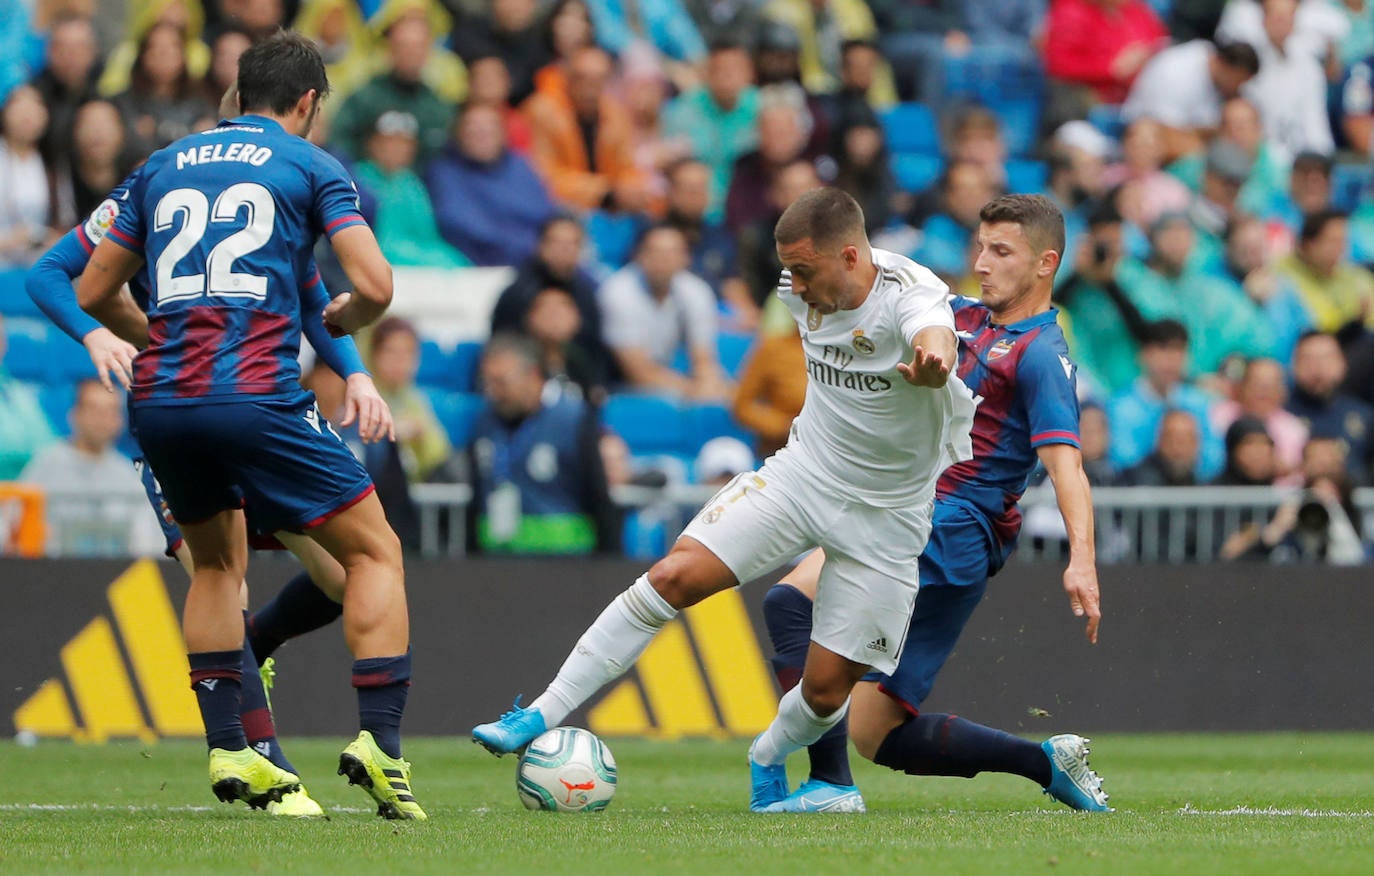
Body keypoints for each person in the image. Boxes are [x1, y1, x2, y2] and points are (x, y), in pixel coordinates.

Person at [472, 187, 978, 816]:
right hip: (803, 477)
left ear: (852, 256)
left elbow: (934, 333)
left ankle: (767, 753)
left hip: (887, 517)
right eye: (785, 268)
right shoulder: (798, 294)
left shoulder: (912, 293)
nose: (790, 283)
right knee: (673, 574)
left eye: (803, 268)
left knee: (824, 694)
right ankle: (538, 713)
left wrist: (934, 361)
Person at [74, 33, 425, 820]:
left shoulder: (160, 165)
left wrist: (158, 340)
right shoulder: (309, 165)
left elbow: (93, 290)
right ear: (307, 102)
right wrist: (354, 315)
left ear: (240, 93)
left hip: (161, 401)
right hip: (259, 396)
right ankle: (380, 744)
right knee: (374, 552)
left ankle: (229, 744)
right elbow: (375, 283)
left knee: (214, 568)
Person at [753, 194, 1108, 814]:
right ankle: (1045, 762)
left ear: (1046, 263)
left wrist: (1082, 558)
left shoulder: (1041, 356)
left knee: (792, 601)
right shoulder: (956, 316)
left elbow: (1067, 465)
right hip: (930, 527)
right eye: (980, 247)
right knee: (876, 733)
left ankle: (829, 787)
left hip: (952, 522)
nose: (983, 262)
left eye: (1002, 251)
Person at [465, 332, 619, 555]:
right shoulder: (484, 422)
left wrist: (609, 562)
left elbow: (597, 495)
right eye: (487, 382)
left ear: (534, 375)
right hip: (496, 563)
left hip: (565, 564)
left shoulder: (573, 419)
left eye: (502, 382)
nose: (494, 392)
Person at [17, 379, 164, 556]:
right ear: (74, 414)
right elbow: (16, 525)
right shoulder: (45, 466)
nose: (102, 420)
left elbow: (146, 542)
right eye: (94, 410)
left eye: (110, 412)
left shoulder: (130, 476)